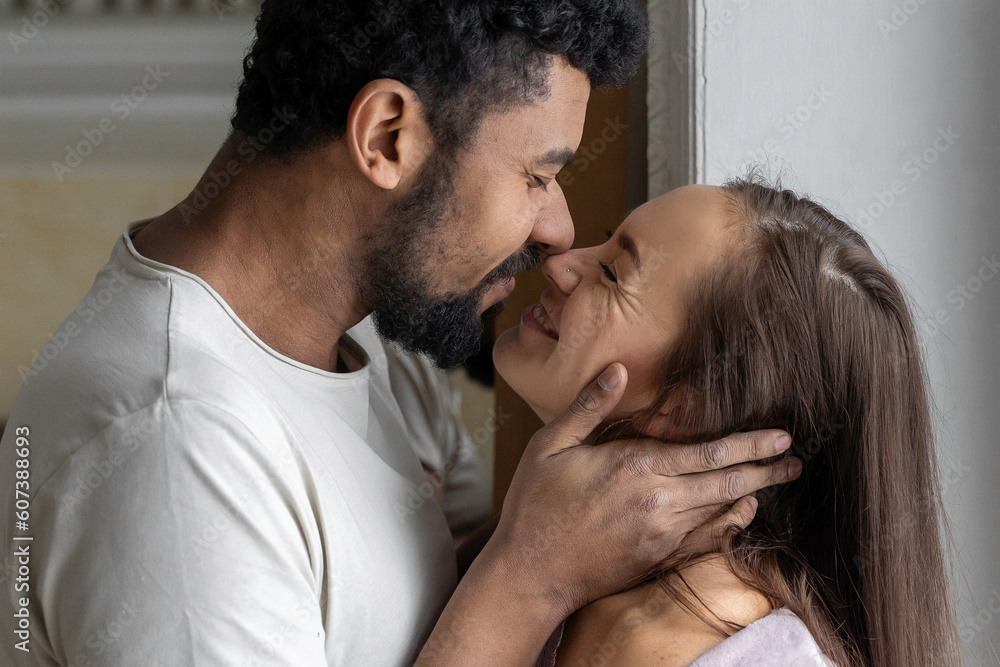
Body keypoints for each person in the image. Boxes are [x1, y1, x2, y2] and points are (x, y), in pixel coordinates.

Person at [0, 2, 803, 665]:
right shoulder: (172, 440)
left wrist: (542, 527)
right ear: (387, 136)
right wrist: (531, 577)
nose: (558, 231)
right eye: (537, 176)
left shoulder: (328, 344)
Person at [495, 180, 961, 667]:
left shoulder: (665, 645)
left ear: (687, 408)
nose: (559, 263)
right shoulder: (577, 570)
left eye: (612, 274)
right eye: (608, 241)